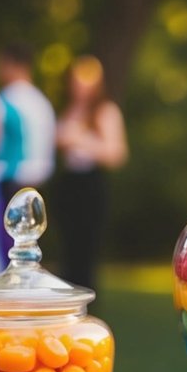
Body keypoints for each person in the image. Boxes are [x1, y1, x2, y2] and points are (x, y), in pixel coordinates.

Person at [53, 55, 128, 291]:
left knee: (86, 248)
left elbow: (117, 154)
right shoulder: (70, 110)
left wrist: (82, 141)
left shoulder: (105, 111)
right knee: (69, 247)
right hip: (70, 183)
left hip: (91, 185)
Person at [0, 41, 57, 203]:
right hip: (41, 185)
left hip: (11, 183)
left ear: (9, 64)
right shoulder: (42, 102)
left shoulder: (1, 101)